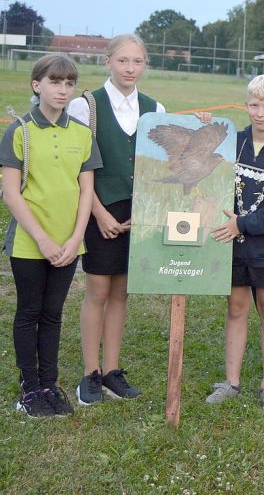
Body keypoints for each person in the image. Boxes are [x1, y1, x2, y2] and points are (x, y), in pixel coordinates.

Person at [67, 34, 165, 405]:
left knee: (122, 291)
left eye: (137, 62)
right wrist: (99, 213)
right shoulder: (85, 106)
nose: (129, 68)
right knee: (98, 291)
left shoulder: (155, 107)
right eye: (123, 60)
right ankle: (90, 372)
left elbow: (159, 164)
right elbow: (78, 171)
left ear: (145, 65)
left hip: (137, 212)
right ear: (108, 61)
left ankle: (111, 370)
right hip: (98, 207)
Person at [1, 54, 101, 417]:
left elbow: (86, 191)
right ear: (36, 85)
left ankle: (50, 384)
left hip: (69, 243)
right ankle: (30, 388)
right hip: (30, 243)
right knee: (30, 312)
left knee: (54, 314)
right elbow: (11, 193)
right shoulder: (19, 131)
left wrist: (75, 239)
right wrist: (42, 239)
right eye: (55, 82)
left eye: (68, 83)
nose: (62, 89)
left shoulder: (81, 133)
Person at [207, 74, 264, 411]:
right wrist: (204, 125)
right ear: (245, 105)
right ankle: (230, 382)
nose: (259, 113)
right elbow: (207, 157)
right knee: (236, 308)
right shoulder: (235, 142)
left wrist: (243, 223)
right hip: (233, 245)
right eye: (253, 105)